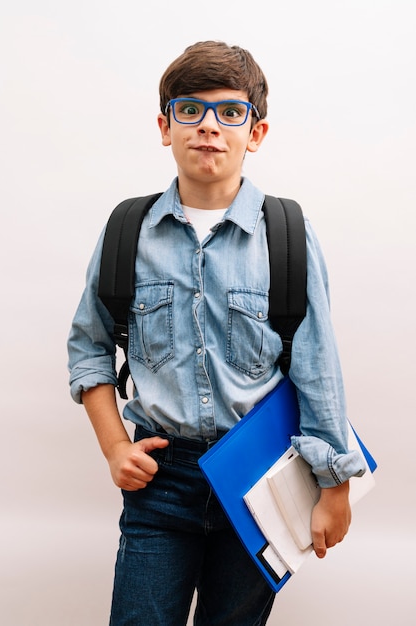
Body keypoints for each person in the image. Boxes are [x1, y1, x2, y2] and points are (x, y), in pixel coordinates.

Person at [67, 40, 365, 626]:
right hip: (161, 484)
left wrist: (335, 486)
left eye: (230, 112)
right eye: (190, 110)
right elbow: (89, 349)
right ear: (164, 125)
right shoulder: (127, 231)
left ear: (255, 133)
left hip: (261, 483)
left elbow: (317, 367)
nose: (209, 127)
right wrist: (113, 448)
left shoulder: (287, 232)